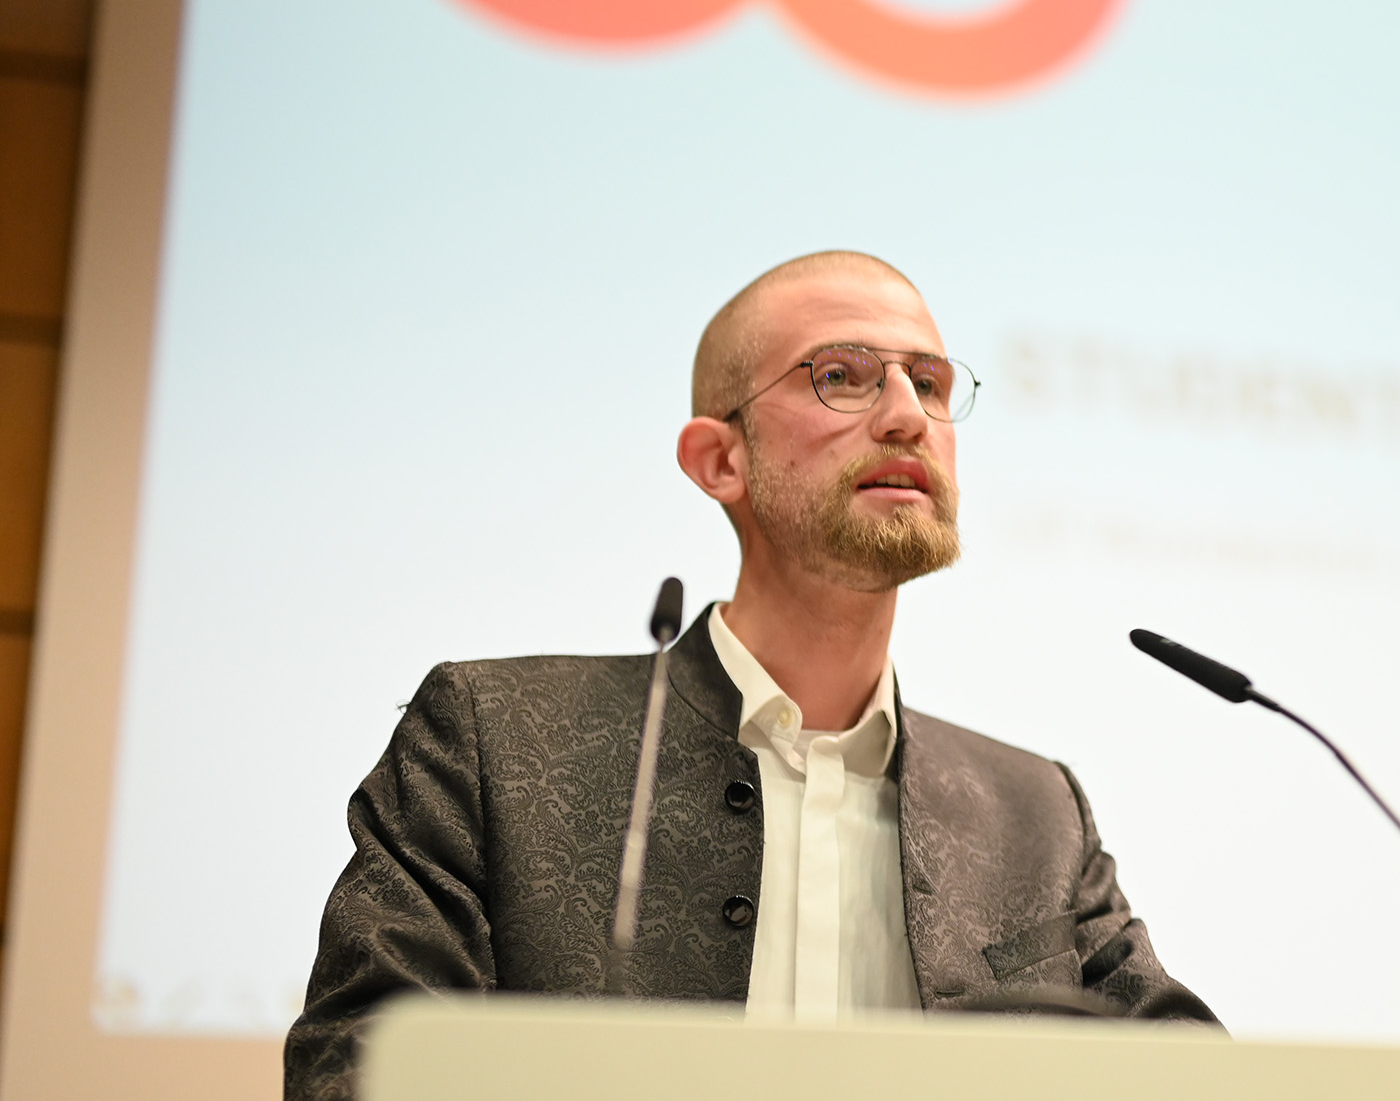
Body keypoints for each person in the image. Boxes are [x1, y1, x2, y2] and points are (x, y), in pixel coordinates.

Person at [284, 251, 1213, 1100]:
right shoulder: (496, 738)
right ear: (719, 459)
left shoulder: (1033, 813)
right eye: (840, 376)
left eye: (928, 383)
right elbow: (356, 1068)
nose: (904, 415)